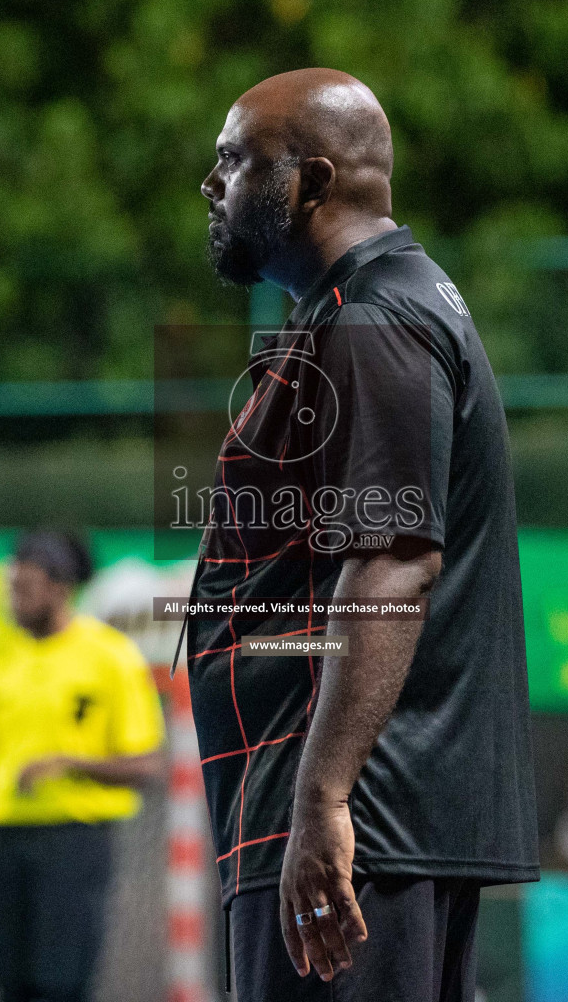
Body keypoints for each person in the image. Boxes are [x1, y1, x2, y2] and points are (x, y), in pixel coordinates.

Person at [188, 68, 539, 1002]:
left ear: (309, 181)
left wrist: (322, 797)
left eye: (235, 161)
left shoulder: (375, 319)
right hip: (366, 818)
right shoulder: (377, 309)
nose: (211, 184)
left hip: (355, 827)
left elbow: (394, 560)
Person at [0, 531, 166, 1002]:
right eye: (10, 586)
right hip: (4, 843)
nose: (13, 598)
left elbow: (148, 766)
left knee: (60, 987)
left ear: (61, 588)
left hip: (73, 843)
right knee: (6, 983)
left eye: (25, 587)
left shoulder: (109, 655)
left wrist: (69, 763)